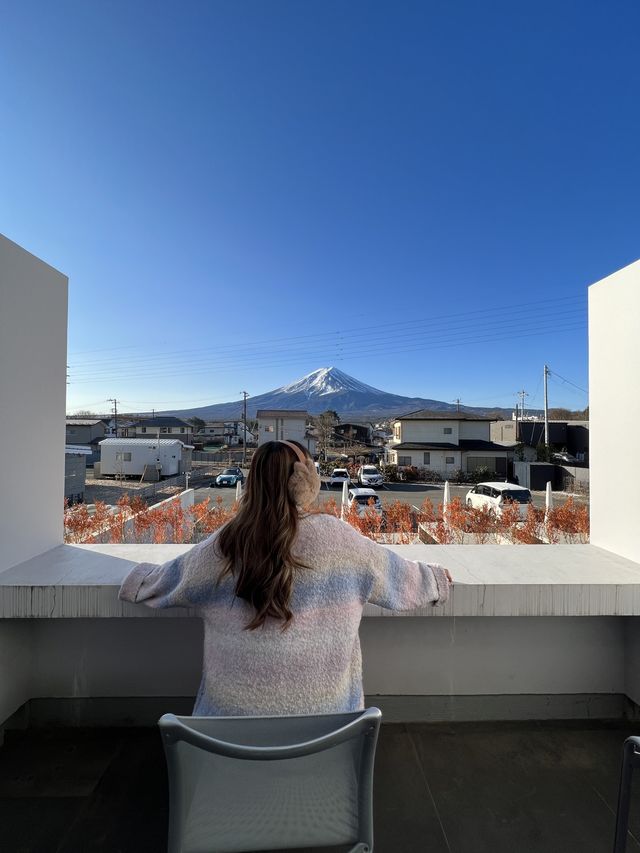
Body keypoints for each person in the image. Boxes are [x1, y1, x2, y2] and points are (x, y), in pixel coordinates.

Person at [119, 439, 452, 716]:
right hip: (326, 735)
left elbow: (162, 582)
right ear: (304, 481)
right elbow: (405, 579)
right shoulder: (342, 541)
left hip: (227, 742)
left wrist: (138, 579)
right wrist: (437, 579)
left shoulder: (224, 545)